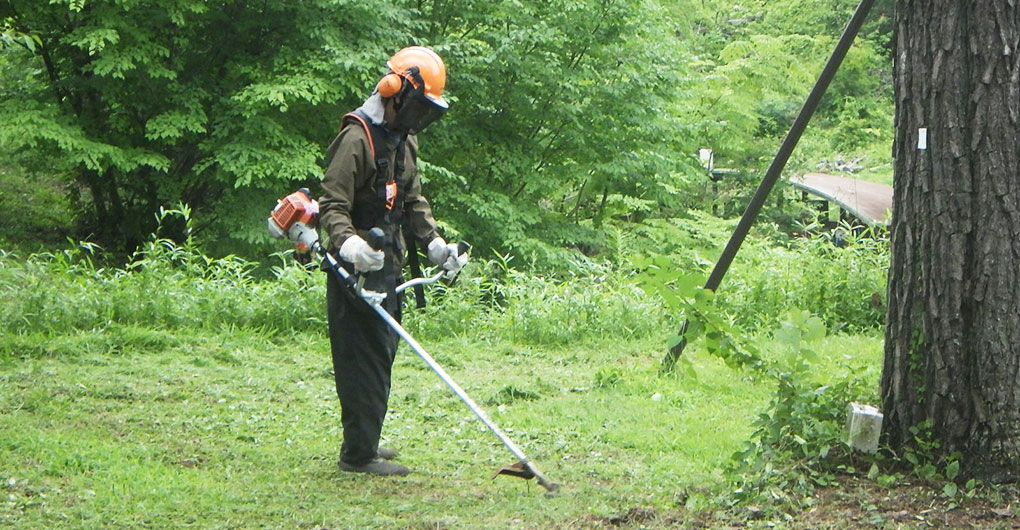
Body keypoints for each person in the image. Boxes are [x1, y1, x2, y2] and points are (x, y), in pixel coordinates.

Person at [318, 46, 467, 476]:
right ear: (394, 91)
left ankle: (367, 439)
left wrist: (436, 244)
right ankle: (357, 456)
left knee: (382, 350)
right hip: (355, 267)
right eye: (417, 105)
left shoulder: (403, 140)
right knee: (360, 356)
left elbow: (412, 200)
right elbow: (332, 206)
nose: (419, 116)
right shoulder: (356, 138)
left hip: (391, 264)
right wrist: (348, 246)